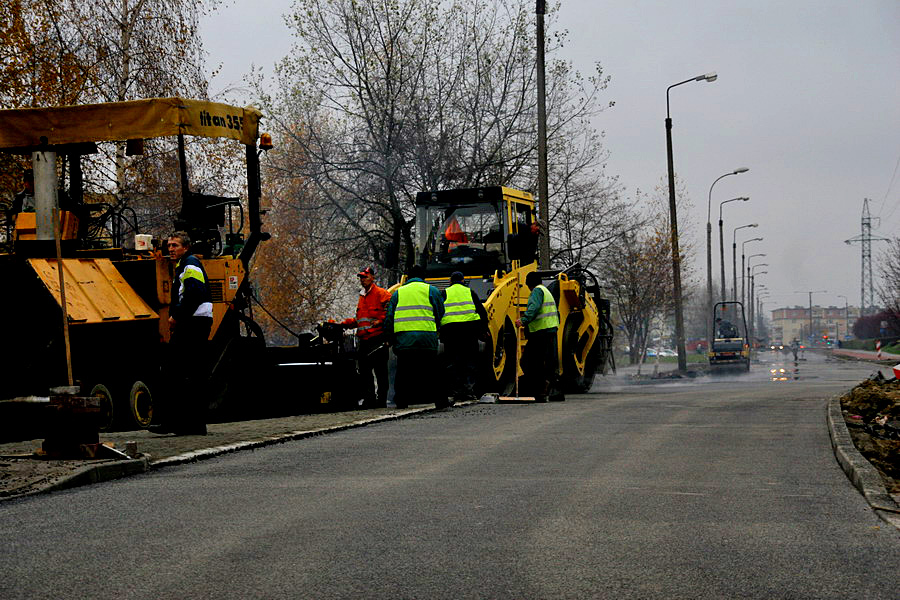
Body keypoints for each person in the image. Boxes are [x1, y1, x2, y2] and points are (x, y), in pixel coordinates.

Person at [155, 231, 213, 435]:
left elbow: (195, 292)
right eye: (169, 245)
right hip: (197, 322)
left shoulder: (189, 264)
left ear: (186, 247)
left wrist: (176, 317)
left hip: (193, 323)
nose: (170, 249)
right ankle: (193, 425)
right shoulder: (184, 265)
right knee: (192, 373)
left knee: (174, 371)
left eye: (175, 245)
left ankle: (175, 423)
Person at [384, 264, 447, 409]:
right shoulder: (431, 290)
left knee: (403, 372)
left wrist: (389, 338)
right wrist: (436, 327)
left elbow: (389, 318)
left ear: (408, 277)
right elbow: (440, 311)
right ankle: (440, 401)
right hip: (427, 339)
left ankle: (401, 401)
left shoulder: (398, 293)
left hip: (404, 341)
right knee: (433, 371)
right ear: (423, 276)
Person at [341, 266, 392, 408]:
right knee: (365, 372)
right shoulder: (362, 297)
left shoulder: (382, 294)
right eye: (361, 277)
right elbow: (361, 320)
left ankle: (381, 400)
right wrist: (344, 324)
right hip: (364, 340)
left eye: (365, 276)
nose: (362, 280)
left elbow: (390, 314)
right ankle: (370, 399)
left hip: (378, 339)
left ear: (372, 277)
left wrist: (381, 322)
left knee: (380, 372)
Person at [440, 271, 489, 401]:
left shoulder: (444, 293)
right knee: (469, 361)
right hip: (469, 331)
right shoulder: (470, 292)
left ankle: (455, 390)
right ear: (463, 281)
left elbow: (438, 312)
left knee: (452, 362)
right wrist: (484, 330)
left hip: (450, 332)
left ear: (450, 282)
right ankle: (469, 389)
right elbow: (482, 312)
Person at [515, 271, 560, 402]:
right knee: (544, 361)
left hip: (541, 332)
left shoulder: (536, 292)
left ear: (529, 283)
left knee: (528, 362)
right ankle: (550, 390)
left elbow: (533, 308)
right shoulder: (546, 291)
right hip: (549, 330)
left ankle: (538, 388)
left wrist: (522, 320)